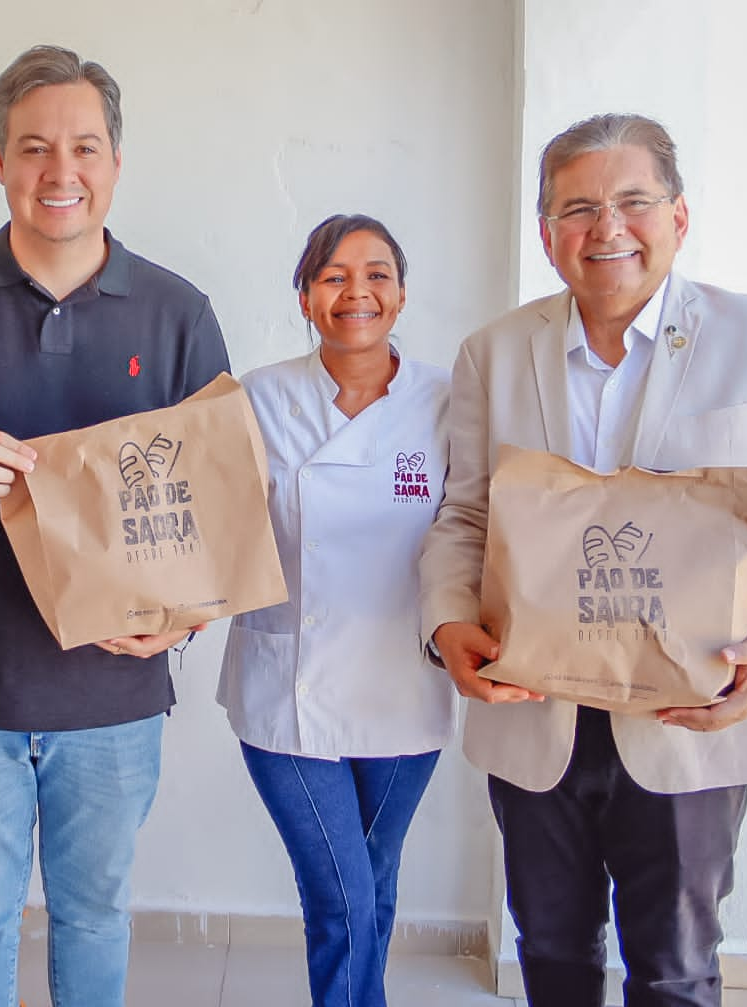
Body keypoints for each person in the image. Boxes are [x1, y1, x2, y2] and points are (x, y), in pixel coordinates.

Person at [418, 114, 747, 1007]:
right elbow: (463, 514)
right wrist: (446, 622)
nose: (608, 229)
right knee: (549, 955)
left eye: (633, 201)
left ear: (678, 216)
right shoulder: (493, 352)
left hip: (689, 714)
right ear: (547, 233)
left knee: (673, 971)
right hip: (535, 712)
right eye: (578, 208)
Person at [0, 45, 229, 1007]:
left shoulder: (178, 312)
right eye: (34, 148)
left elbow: (217, 509)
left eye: (84, 147)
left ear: (114, 162)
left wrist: (180, 623)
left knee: (94, 913)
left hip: (112, 690)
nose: (60, 172)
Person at [218, 215, 457, 1007]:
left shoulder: (450, 403)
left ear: (401, 293)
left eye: (378, 273)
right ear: (304, 297)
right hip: (289, 689)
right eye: (333, 276)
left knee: (372, 883)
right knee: (342, 901)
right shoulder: (258, 397)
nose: (357, 291)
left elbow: (483, 530)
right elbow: (212, 524)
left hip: (405, 690)